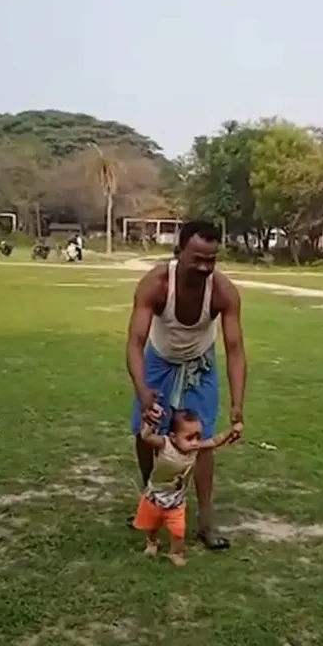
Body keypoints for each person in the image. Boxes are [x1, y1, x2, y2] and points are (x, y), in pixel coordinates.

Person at [126, 219, 247, 550]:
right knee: (146, 430)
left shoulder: (223, 291)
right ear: (178, 252)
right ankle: (151, 499)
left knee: (202, 438)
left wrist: (237, 405)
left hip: (200, 364)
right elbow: (135, 342)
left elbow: (235, 350)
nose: (205, 266)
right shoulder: (156, 283)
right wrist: (142, 388)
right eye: (197, 259)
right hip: (158, 360)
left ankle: (206, 523)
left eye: (212, 259)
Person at [134, 410, 239, 565]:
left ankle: (175, 553)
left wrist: (231, 432)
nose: (195, 442)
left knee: (178, 530)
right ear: (173, 437)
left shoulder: (194, 448)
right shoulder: (165, 444)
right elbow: (146, 437)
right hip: (155, 495)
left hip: (176, 500)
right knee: (152, 525)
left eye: (198, 437)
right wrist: (149, 424)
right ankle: (152, 542)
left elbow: (214, 441)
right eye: (189, 438)